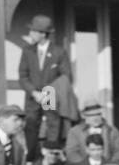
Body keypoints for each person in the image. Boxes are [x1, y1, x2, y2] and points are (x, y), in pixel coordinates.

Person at [18, 14, 78, 154]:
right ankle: (32, 160)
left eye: (33, 31)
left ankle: (52, 158)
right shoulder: (27, 51)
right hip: (33, 96)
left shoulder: (59, 52)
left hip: (51, 94)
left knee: (53, 124)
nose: (30, 33)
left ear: (43, 34)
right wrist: (34, 92)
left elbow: (66, 76)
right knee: (31, 125)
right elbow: (23, 76)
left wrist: (48, 93)